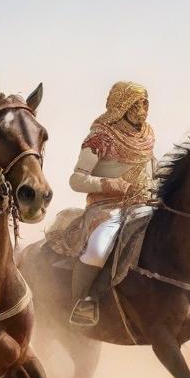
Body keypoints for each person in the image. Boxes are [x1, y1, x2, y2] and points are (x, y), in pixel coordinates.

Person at [68, 81, 157, 327]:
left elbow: (153, 170)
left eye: (145, 103)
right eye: (136, 104)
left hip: (143, 205)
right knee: (98, 248)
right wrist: (114, 185)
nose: (143, 110)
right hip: (107, 208)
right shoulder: (100, 137)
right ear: (121, 106)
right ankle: (83, 301)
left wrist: (159, 187)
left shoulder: (147, 135)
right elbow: (76, 180)